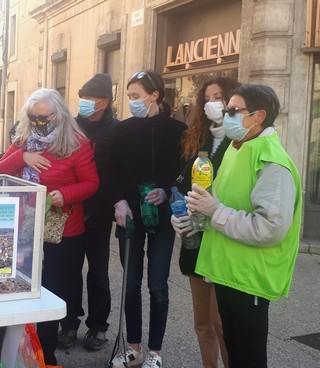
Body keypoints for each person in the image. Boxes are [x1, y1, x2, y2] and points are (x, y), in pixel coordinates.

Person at [186, 84, 302, 368]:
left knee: (248, 357)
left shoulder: (272, 161)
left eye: (233, 111)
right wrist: (197, 216)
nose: (226, 116)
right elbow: (224, 201)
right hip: (229, 272)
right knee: (235, 352)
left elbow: (270, 228)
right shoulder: (239, 148)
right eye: (226, 111)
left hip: (249, 278)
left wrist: (215, 210)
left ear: (259, 116)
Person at [0, 88, 99, 365]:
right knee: (22, 287)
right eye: (34, 116)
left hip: (62, 229)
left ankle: (47, 356)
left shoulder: (77, 143)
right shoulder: (22, 139)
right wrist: (23, 157)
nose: (40, 121)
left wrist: (64, 195)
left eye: (45, 116)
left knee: (52, 290)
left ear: (59, 114)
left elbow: (91, 183)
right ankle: (18, 351)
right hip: (24, 226)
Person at [105, 71, 186, 368]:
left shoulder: (179, 130)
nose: (132, 102)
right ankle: (134, 348)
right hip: (130, 220)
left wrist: (168, 191)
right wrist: (120, 201)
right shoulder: (122, 130)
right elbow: (109, 172)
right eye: (128, 97)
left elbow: (186, 172)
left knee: (157, 286)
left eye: (136, 96)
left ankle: (156, 352)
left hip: (163, 220)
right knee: (131, 283)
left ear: (155, 96)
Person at [170, 77, 237, 368]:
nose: (213, 103)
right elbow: (184, 184)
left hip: (224, 242)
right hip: (196, 241)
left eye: (220, 96)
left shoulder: (242, 145)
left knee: (222, 325)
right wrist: (179, 213)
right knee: (202, 324)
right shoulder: (201, 140)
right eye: (208, 98)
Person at [57, 73, 118, 351]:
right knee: (69, 270)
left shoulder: (117, 131)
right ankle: (69, 323)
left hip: (101, 213)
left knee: (98, 272)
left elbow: (119, 171)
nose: (82, 103)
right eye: (81, 97)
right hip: (71, 209)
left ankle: (97, 326)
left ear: (104, 102)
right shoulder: (69, 127)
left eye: (89, 98)